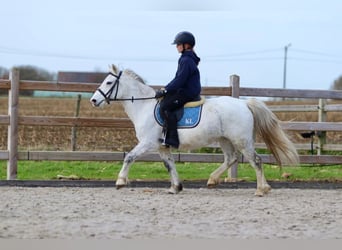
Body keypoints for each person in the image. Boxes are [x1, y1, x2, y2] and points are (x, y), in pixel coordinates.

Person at [155, 31, 201, 148]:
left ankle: (172, 139)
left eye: (178, 44)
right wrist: (166, 89)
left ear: (186, 45)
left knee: (166, 107)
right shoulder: (187, 58)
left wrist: (166, 91)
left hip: (188, 93)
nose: (176, 46)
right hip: (185, 91)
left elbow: (180, 80)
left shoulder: (186, 60)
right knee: (166, 102)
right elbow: (177, 79)